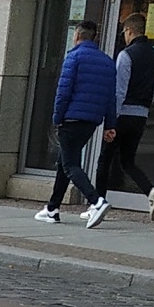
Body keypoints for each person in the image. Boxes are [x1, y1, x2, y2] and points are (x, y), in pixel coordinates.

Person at [36, 19, 117, 226]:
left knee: (71, 164)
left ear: (77, 36)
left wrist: (57, 118)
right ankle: (52, 208)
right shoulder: (107, 62)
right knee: (64, 163)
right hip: (92, 121)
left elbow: (63, 92)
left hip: (71, 118)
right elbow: (110, 97)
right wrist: (110, 124)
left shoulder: (74, 58)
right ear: (95, 37)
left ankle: (96, 201)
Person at [101, 8, 154, 216]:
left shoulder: (126, 55)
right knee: (128, 160)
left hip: (123, 114)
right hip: (140, 115)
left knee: (105, 159)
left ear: (129, 31)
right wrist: (144, 107)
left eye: (124, 33)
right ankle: (149, 190)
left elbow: (119, 90)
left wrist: (111, 120)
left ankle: (98, 203)